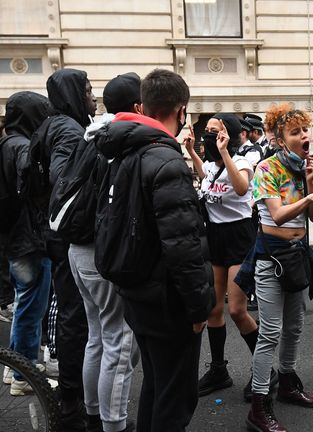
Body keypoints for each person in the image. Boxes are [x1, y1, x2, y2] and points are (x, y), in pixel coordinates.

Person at [93, 68, 214, 432]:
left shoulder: (124, 151)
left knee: (157, 385)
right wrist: (199, 306)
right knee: (175, 397)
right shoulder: (165, 159)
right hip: (166, 300)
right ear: (181, 111)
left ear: (144, 106)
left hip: (137, 290)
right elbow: (183, 245)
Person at [246, 103, 313, 432]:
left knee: (294, 327)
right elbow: (279, 215)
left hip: (297, 254)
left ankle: (287, 382)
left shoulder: (303, 168)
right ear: (281, 139)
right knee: (270, 332)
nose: (304, 136)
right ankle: (258, 406)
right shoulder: (266, 169)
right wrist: (311, 197)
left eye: (305, 130)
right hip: (271, 258)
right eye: (295, 132)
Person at [73, 72, 142, 432]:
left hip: (77, 249)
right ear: (136, 106)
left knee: (97, 336)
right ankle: (113, 424)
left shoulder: (91, 135)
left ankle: (92, 413)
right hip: (101, 253)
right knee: (119, 339)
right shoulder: (118, 141)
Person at [184, 113, 259, 401]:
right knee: (213, 310)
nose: (209, 137)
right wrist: (191, 151)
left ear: (231, 135)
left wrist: (226, 151)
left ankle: (265, 370)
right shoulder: (214, 167)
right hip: (215, 240)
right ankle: (219, 370)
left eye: (216, 132)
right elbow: (207, 178)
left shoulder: (240, 161)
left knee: (238, 310)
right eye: (208, 132)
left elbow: (241, 187)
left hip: (238, 239)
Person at [45, 67, 97, 429]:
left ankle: (71, 394)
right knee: (74, 317)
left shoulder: (53, 124)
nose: (93, 97)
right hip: (66, 237)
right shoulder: (68, 129)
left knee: (72, 314)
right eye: (89, 91)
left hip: (52, 233)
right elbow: (60, 178)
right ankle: (70, 399)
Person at [0, 91, 54, 396]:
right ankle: (24, 375)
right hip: (29, 239)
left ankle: (15, 366)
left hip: (14, 239)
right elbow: (33, 184)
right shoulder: (22, 147)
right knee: (31, 307)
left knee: (24, 304)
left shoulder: (6, 142)